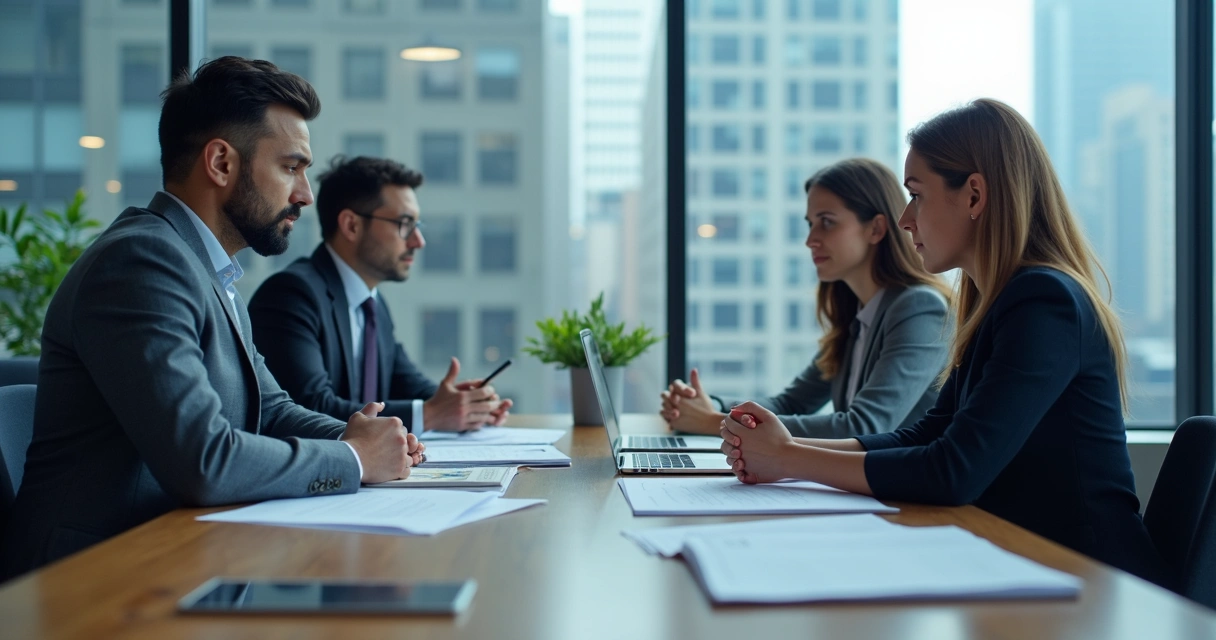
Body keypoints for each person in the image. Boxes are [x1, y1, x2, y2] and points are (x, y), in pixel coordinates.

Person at [0, 57, 423, 580]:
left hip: (174, 556)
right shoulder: (140, 263)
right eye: (291, 167)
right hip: (92, 581)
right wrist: (355, 461)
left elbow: (269, 407)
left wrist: (360, 437)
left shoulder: (205, 267)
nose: (305, 194)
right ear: (221, 163)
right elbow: (203, 461)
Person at [720, 99, 1170, 586]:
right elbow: (926, 434)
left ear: (974, 194)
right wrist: (783, 449)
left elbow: (954, 471)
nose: (906, 219)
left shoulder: (1045, 302)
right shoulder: (999, 305)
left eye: (916, 195)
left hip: (1094, 587)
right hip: (1026, 567)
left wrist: (788, 459)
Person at [660, 158, 951, 439]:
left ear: (875, 229)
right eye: (810, 223)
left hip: (898, 490)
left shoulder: (920, 308)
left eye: (826, 222)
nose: (810, 239)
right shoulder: (858, 317)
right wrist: (708, 405)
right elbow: (791, 404)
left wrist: (713, 422)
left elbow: (863, 427)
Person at [248, 156, 512, 433]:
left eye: (417, 226)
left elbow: (407, 383)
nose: (418, 241)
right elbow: (309, 407)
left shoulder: (373, 304)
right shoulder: (291, 295)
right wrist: (432, 414)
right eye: (405, 224)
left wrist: (465, 405)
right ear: (351, 225)